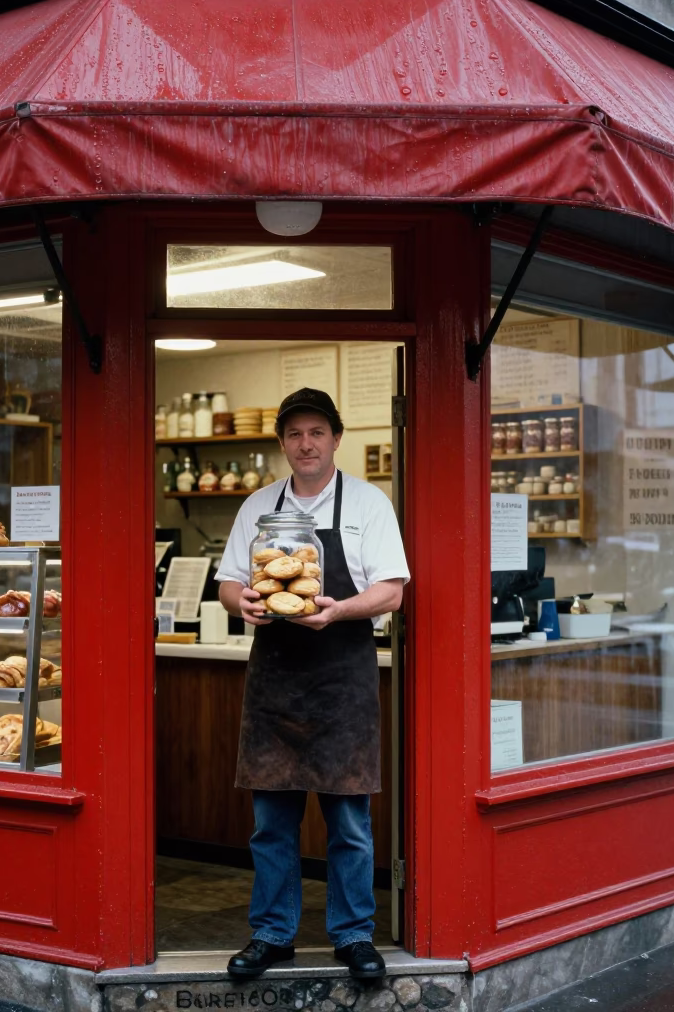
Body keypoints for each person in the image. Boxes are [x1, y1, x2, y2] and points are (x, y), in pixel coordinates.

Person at [216, 387, 409, 982]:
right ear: (282, 443)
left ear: (335, 439)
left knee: (348, 821)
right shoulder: (257, 505)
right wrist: (242, 601)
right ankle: (272, 933)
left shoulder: (369, 503)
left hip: (341, 680)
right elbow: (227, 580)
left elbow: (393, 590)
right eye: (295, 434)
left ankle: (353, 936)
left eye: (317, 433)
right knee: (271, 820)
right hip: (275, 680)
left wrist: (338, 610)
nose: (306, 443)